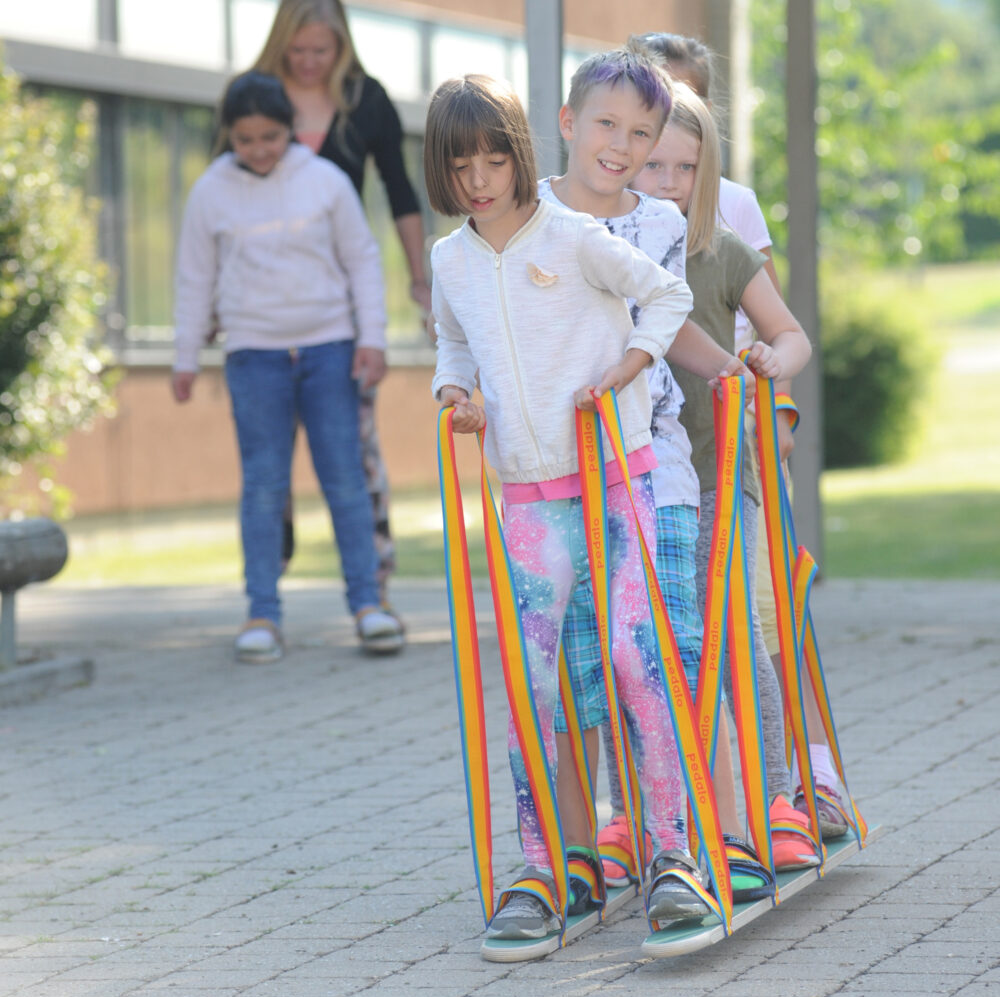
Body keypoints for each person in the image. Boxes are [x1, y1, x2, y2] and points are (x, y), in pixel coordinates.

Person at [425, 72, 707, 940]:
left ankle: (673, 857)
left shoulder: (575, 235)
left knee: (633, 655)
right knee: (528, 677)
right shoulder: (449, 259)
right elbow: (454, 342)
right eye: (462, 162)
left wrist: (633, 362)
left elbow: (668, 296)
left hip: (616, 476)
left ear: (520, 154)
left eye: (495, 157)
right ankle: (545, 867)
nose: (480, 177)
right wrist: (454, 394)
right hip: (528, 497)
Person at [540, 44, 774, 907]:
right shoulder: (527, 222)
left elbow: (668, 323)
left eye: (641, 132)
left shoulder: (664, 225)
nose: (624, 145)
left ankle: (698, 842)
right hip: (560, 478)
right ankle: (577, 854)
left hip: (653, 467)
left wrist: (732, 372)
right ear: (568, 124)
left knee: (668, 659)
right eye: (608, 124)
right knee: (575, 679)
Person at [635, 32, 850, 839]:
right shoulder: (601, 247)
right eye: (652, 161)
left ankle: (781, 795)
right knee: (652, 640)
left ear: (706, 174)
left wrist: (767, 368)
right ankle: (667, 810)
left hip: (726, 469)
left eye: (684, 168)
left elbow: (788, 333)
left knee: (749, 624)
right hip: (643, 473)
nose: (666, 179)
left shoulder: (719, 249)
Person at [171, 71, 404, 661]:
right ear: (230, 135)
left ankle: (368, 605)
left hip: (329, 350)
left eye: (270, 137)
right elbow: (194, 276)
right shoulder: (210, 191)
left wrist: (370, 340)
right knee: (264, 487)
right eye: (246, 139)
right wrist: (184, 357)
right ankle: (262, 615)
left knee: (346, 482)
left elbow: (362, 261)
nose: (259, 150)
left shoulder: (325, 181)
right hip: (254, 357)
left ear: (291, 129)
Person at [249, 0, 431, 625]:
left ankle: (373, 582)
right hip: (263, 306)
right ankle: (264, 589)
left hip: (337, 306)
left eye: (320, 52)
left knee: (355, 448)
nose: (307, 63)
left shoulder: (363, 99)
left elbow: (399, 191)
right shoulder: (256, 94)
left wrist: (419, 279)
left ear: (342, 46)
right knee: (267, 459)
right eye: (297, 50)